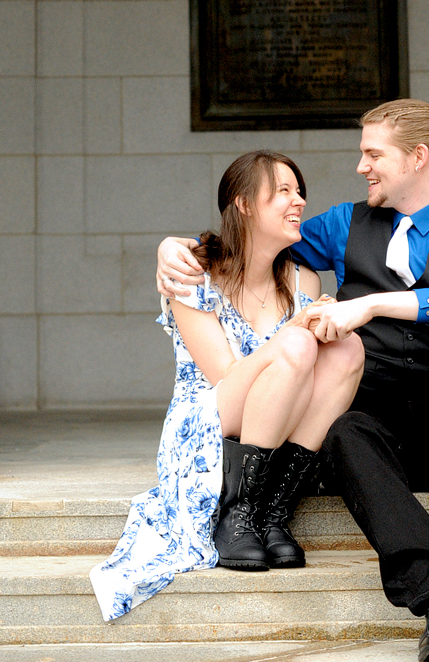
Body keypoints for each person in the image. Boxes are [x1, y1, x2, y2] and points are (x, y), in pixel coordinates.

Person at [156, 99, 429, 662]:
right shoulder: (344, 225)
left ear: (417, 158)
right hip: (377, 434)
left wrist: (371, 304)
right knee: (346, 432)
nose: (362, 166)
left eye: (372, 153)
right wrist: (175, 248)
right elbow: (255, 241)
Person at [91, 149, 364, 622]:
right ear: (243, 204)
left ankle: (274, 513)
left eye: (300, 191)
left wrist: (320, 324)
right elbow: (225, 377)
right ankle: (239, 515)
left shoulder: (303, 278)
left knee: (349, 348)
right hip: (206, 421)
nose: (298, 200)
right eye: (282, 191)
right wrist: (294, 333)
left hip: (277, 416)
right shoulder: (193, 271)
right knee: (297, 346)